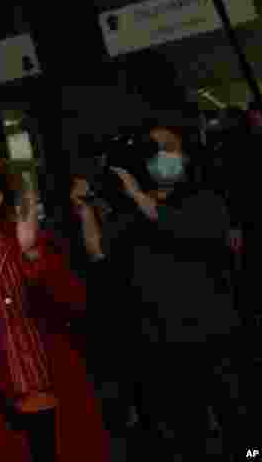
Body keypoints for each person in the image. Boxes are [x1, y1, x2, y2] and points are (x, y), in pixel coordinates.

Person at [73, 119, 249, 460]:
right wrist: (85, 210)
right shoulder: (131, 214)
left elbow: (184, 229)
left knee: (239, 427)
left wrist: (137, 195)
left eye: (170, 149)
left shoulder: (205, 199)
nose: (165, 157)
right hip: (165, 347)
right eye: (156, 151)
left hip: (216, 338)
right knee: (188, 435)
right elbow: (98, 254)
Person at [0, 158, 108, 462]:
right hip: (0, 410)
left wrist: (31, 255)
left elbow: (75, 306)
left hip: (60, 396)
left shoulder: (29, 239)